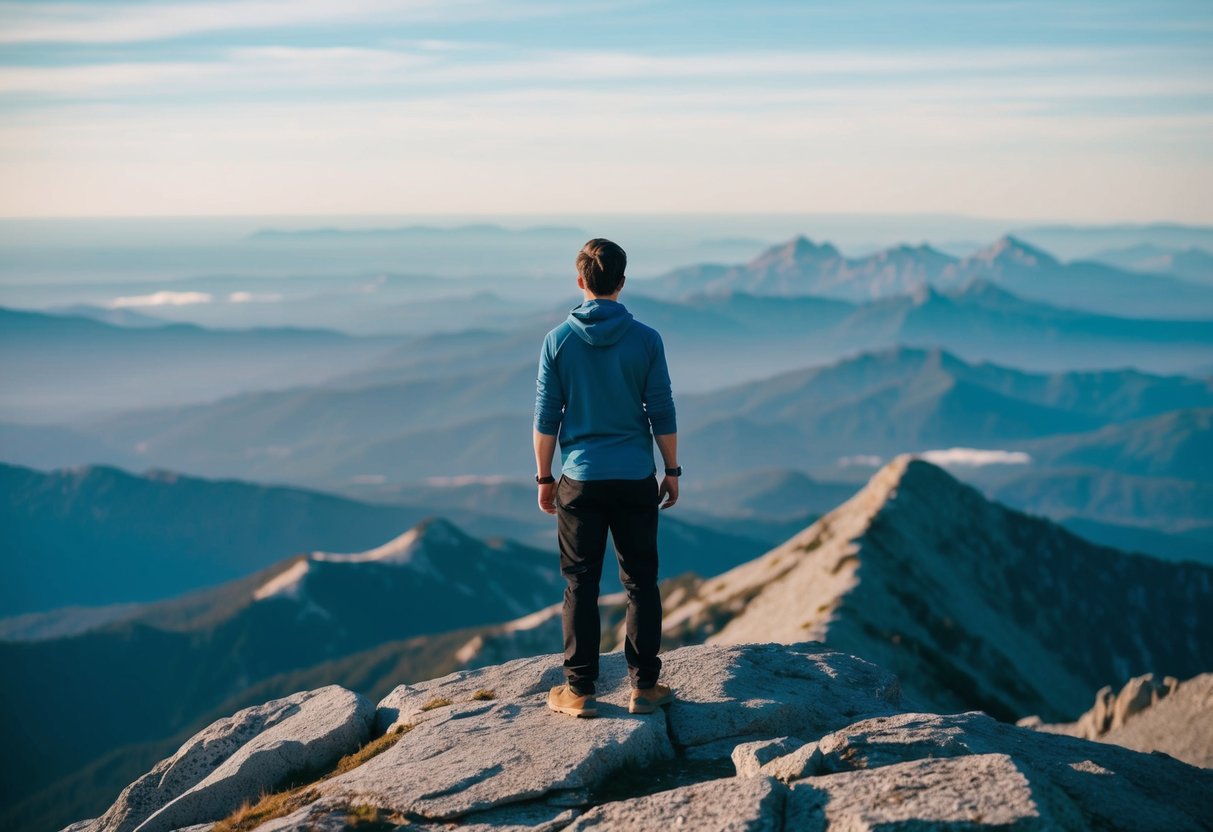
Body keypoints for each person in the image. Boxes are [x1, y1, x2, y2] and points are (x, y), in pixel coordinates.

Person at [533, 237, 681, 719]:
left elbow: (546, 418)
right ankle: (644, 686)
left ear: (580, 282)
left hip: (579, 478)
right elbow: (660, 410)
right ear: (621, 282)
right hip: (636, 474)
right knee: (641, 583)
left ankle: (579, 691)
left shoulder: (558, 340)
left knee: (581, 584)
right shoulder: (647, 339)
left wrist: (544, 478)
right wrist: (672, 469)